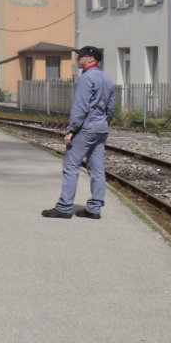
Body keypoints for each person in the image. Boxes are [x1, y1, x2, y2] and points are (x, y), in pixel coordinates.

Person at [43, 46, 114, 219]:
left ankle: (64, 207)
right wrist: (104, 123)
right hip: (101, 127)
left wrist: (71, 130)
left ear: (91, 59)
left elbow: (80, 107)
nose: (77, 59)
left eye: (81, 56)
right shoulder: (107, 79)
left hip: (86, 128)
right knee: (97, 168)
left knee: (70, 166)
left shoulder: (86, 78)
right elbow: (110, 108)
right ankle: (94, 208)